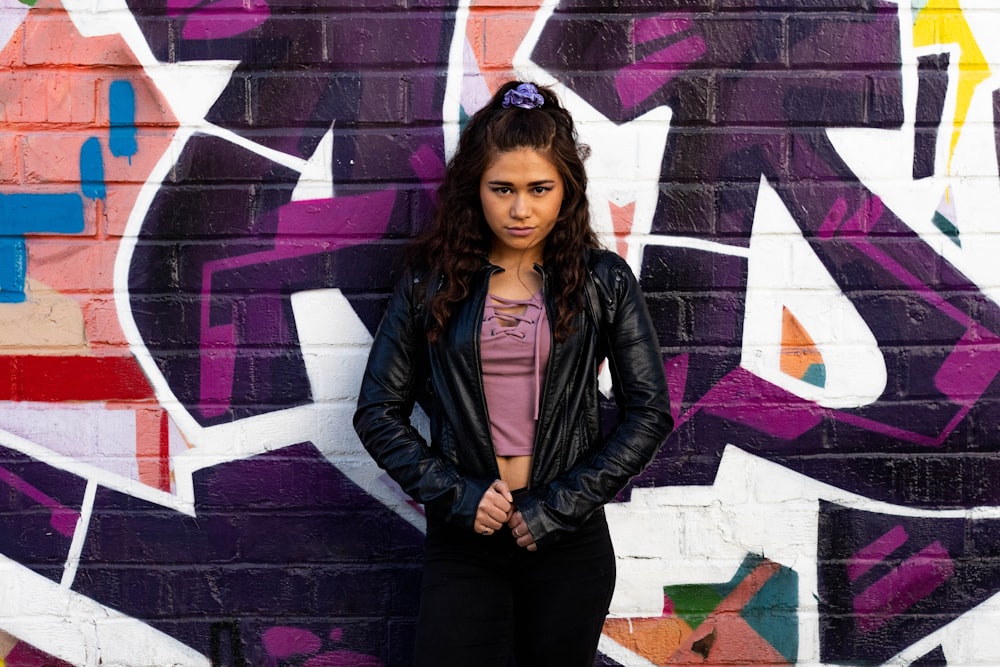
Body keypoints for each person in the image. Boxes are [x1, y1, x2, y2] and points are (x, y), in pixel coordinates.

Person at [353, 81, 672, 666]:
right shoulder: (432, 281)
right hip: (465, 540)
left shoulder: (604, 281)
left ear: (566, 191)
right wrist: (458, 495)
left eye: (539, 189)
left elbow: (649, 412)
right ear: (476, 190)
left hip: (567, 542)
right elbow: (378, 412)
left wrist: (555, 505)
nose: (520, 209)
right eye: (502, 189)